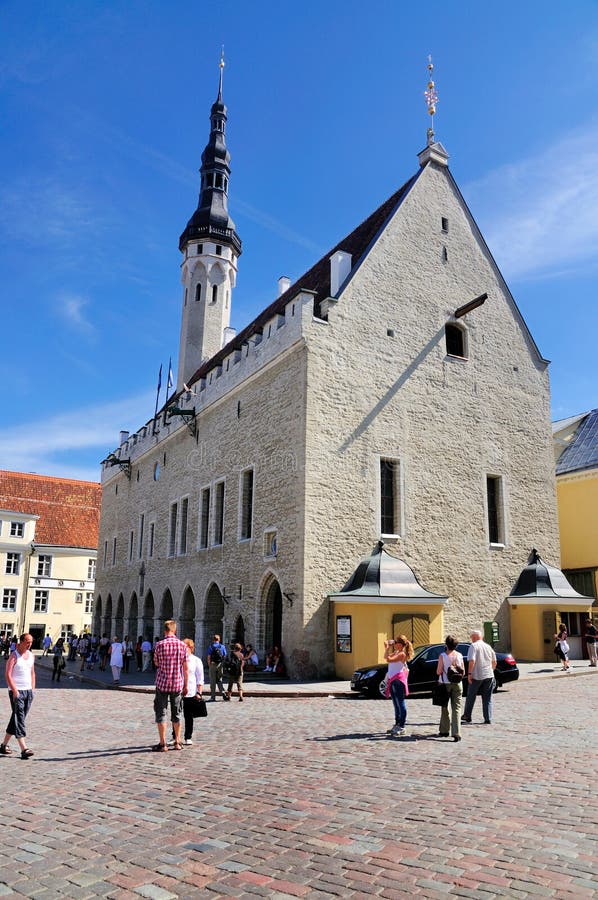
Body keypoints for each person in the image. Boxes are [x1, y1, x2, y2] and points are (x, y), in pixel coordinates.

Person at [152, 620, 188, 752]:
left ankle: (163, 744)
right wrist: (186, 685)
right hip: (177, 683)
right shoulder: (182, 645)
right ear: (175, 630)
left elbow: (156, 663)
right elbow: (185, 668)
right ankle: (177, 742)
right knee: (177, 713)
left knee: (161, 713)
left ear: (164, 630)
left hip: (162, 683)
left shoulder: (159, 645)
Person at [0, 633, 35, 759]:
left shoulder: (31, 655)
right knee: (19, 717)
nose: (29, 644)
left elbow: (32, 672)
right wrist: (14, 690)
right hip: (17, 691)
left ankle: (3, 745)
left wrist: (33, 689)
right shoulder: (14, 655)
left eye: (31, 642)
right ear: (20, 642)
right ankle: (24, 748)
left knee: (17, 717)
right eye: (27, 642)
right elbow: (8, 674)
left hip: (28, 691)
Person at [462, 629, 497, 724]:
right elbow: (494, 661)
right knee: (487, 698)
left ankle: (467, 715)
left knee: (471, 696)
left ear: (474, 637)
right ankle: (488, 718)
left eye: (471, 637)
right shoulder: (488, 646)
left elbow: (472, 661)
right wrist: (491, 670)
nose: (471, 639)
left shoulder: (473, 646)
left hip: (477, 675)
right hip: (489, 675)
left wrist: (469, 674)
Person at [435, 635, 464, 742]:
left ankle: (444, 730)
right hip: (457, 683)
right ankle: (457, 732)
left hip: (445, 683)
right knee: (457, 708)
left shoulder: (442, 655)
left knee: (444, 706)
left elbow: (438, 671)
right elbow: (463, 671)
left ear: (446, 644)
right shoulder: (459, 655)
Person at [384, 634, 413, 737]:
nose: (394, 644)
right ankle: (397, 724)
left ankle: (402, 726)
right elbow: (385, 657)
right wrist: (387, 647)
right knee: (395, 704)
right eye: (395, 642)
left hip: (398, 680)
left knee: (400, 703)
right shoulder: (396, 652)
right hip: (393, 680)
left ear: (400, 645)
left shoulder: (402, 654)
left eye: (396, 642)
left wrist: (387, 648)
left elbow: (389, 660)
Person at [180, 638, 204, 746]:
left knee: (188, 716)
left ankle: (188, 736)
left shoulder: (196, 661)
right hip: (178, 690)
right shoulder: (178, 659)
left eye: (185, 647)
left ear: (190, 648)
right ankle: (175, 736)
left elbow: (200, 678)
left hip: (190, 691)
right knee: (176, 715)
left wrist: (199, 692)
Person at [207, 634, 228, 701]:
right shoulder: (222, 646)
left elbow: (209, 657)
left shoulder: (211, 646)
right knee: (219, 680)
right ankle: (223, 692)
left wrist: (209, 665)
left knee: (212, 681)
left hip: (213, 664)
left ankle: (213, 697)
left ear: (213, 640)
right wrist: (222, 664)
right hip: (220, 665)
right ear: (219, 640)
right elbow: (225, 656)